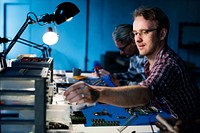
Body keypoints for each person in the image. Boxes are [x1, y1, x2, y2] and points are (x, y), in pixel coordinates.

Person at [64, 6, 200, 131]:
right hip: (171, 122)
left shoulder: (167, 64)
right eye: (135, 33)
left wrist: (97, 93)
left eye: (144, 32)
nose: (138, 39)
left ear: (162, 34)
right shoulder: (149, 62)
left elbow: (144, 93)